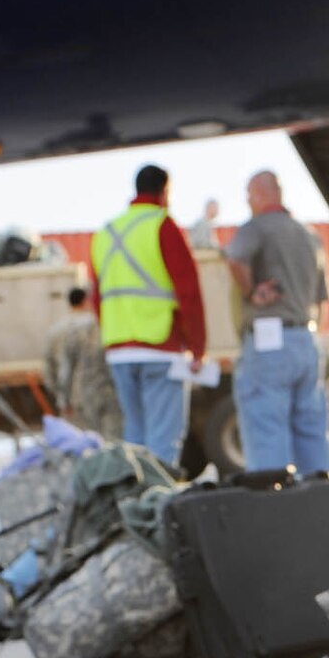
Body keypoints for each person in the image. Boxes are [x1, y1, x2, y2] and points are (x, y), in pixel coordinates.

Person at [89, 164, 206, 465]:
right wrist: (198, 347)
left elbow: (98, 294)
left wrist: (113, 334)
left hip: (118, 349)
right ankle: (159, 504)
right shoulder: (162, 225)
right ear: (165, 191)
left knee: (136, 436)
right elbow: (188, 290)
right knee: (163, 437)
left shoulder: (106, 233)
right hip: (160, 346)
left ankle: (137, 501)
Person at [226, 170, 329, 476]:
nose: (248, 202)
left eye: (249, 196)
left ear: (261, 195)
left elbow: (234, 259)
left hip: (268, 340)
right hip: (305, 339)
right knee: (312, 430)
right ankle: (321, 495)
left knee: (266, 428)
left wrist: (251, 291)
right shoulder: (309, 235)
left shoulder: (255, 229)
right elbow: (322, 298)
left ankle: (274, 503)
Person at [42, 287, 123, 439]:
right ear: (87, 301)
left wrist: (62, 398)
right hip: (107, 395)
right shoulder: (101, 324)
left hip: (74, 399)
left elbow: (51, 368)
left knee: (81, 446)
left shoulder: (55, 329)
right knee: (112, 446)